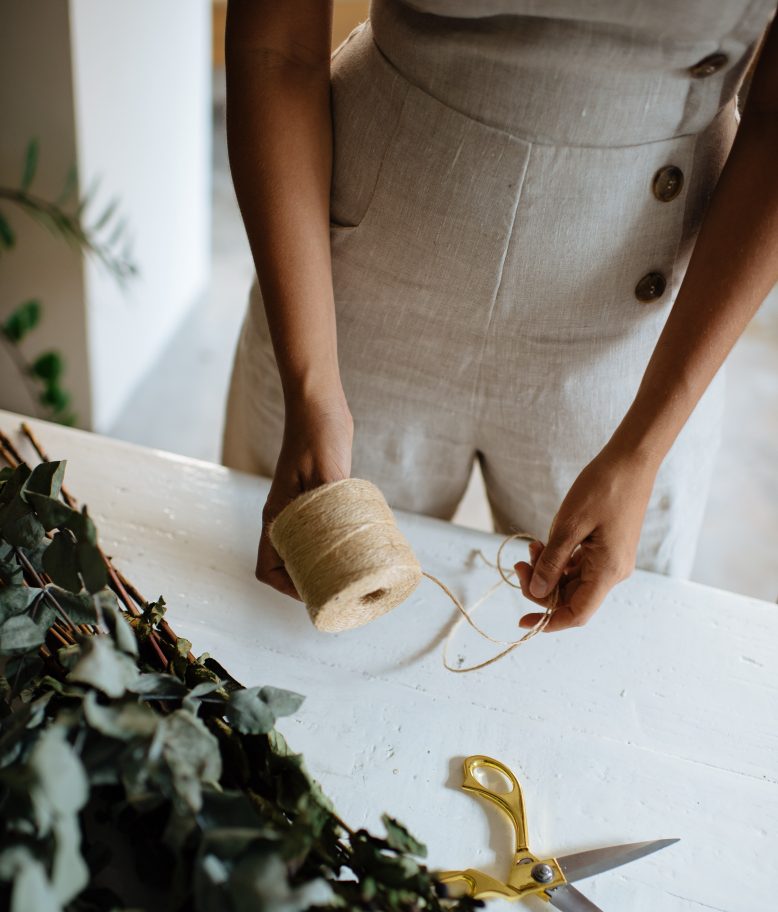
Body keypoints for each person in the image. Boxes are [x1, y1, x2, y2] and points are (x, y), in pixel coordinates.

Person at [221, 0, 778, 632]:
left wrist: (643, 450)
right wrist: (311, 386)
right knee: (277, 628)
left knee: (594, 655)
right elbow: (279, 48)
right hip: (343, 298)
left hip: (632, 349)